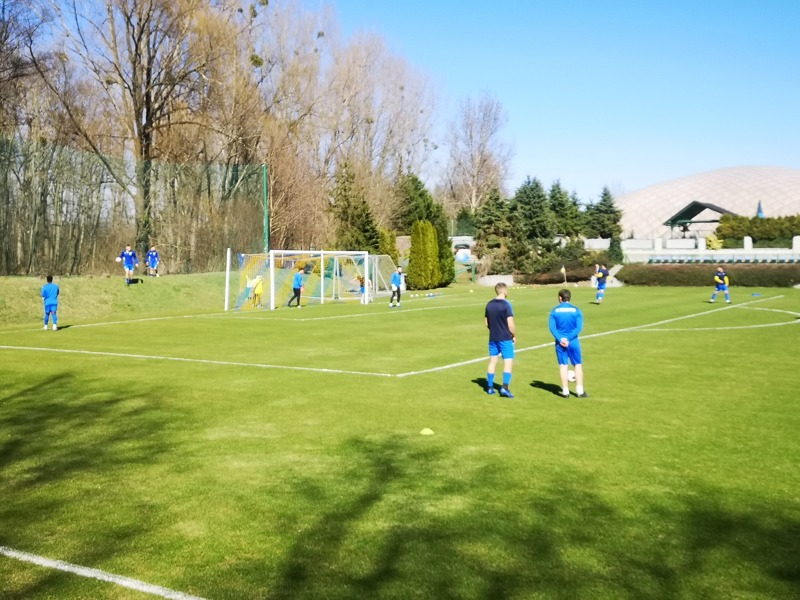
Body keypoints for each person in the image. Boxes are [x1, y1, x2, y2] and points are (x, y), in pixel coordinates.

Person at [549, 288, 588, 398]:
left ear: (560, 298)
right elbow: (579, 327)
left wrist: (561, 339)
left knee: (563, 365)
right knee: (577, 365)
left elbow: (552, 328)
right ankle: (580, 391)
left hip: (560, 343)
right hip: (573, 342)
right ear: (569, 298)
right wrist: (569, 339)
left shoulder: (554, 311)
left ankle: (565, 392)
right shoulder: (576, 310)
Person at [484, 282, 516, 398]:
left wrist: (494, 330)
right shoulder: (506, 305)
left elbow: (486, 323)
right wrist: (513, 335)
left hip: (493, 337)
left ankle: (490, 387)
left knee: (492, 361)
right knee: (508, 361)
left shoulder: (489, 304)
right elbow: (510, 324)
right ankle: (505, 388)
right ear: (504, 291)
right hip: (505, 338)